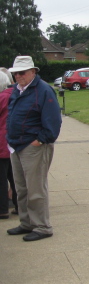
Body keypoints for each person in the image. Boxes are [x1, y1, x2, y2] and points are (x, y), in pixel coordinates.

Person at [6, 56, 62, 241]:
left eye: (22, 73)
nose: (18, 76)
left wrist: (40, 141)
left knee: (36, 189)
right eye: (15, 73)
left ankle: (42, 227)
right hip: (16, 145)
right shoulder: (17, 90)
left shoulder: (44, 90)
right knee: (21, 188)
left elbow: (53, 121)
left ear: (33, 72)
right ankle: (27, 222)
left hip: (34, 146)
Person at [0, 69, 16, 219]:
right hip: (13, 142)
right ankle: (18, 205)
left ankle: (2, 209)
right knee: (14, 176)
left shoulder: (1, 98)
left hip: (2, 143)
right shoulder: (15, 95)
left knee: (2, 178)